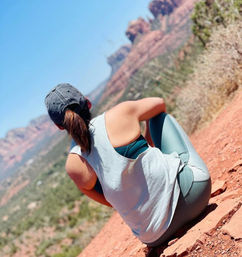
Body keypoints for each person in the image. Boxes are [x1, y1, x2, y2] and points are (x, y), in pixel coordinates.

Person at [45, 83, 211, 247]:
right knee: (159, 118)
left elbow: (113, 203)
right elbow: (159, 104)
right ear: (88, 102)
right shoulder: (120, 113)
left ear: (59, 126)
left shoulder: (73, 165)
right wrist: (148, 142)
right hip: (194, 197)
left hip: (154, 236)